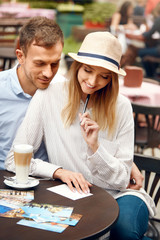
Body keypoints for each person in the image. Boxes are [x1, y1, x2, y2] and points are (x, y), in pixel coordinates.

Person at [6, 31, 156, 240]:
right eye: (88, 70)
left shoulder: (122, 107)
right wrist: (59, 171)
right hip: (73, 195)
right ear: (77, 65)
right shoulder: (48, 95)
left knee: (123, 231)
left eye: (104, 76)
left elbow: (123, 180)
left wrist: (96, 148)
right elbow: (15, 160)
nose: (93, 82)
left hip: (121, 195)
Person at [0, 16, 65, 170]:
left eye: (55, 63)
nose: (48, 73)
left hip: (50, 180)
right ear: (20, 56)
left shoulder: (64, 90)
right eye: (40, 63)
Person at [124, 2, 160, 78]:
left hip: (158, 50)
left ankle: (150, 76)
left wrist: (139, 34)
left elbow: (148, 35)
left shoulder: (158, 19)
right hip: (156, 46)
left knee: (141, 52)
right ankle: (152, 75)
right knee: (144, 50)